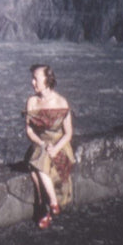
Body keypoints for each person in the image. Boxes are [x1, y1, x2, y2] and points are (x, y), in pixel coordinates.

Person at [25, 64, 75, 229]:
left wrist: (56, 148)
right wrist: (42, 143)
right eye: (32, 78)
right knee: (42, 157)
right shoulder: (32, 102)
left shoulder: (61, 102)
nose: (32, 82)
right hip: (40, 145)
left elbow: (68, 133)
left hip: (60, 145)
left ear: (47, 80)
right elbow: (29, 131)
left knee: (43, 162)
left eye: (35, 79)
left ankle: (47, 212)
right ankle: (53, 205)